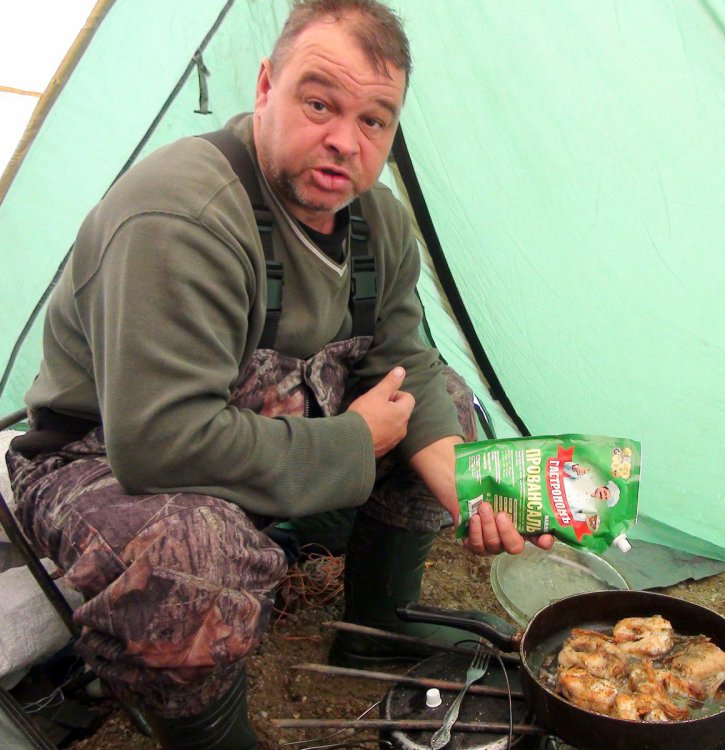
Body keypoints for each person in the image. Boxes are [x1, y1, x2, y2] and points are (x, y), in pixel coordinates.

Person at [3, 2, 553, 748]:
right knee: (192, 557)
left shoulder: (379, 223)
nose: (342, 141)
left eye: (373, 122)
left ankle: (374, 631)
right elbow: (156, 443)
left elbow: (409, 362)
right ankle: (207, 734)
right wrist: (354, 444)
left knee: (446, 406)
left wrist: (464, 479)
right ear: (266, 85)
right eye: (319, 102)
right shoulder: (182, 214)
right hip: (96, 455)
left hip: (237, 422)